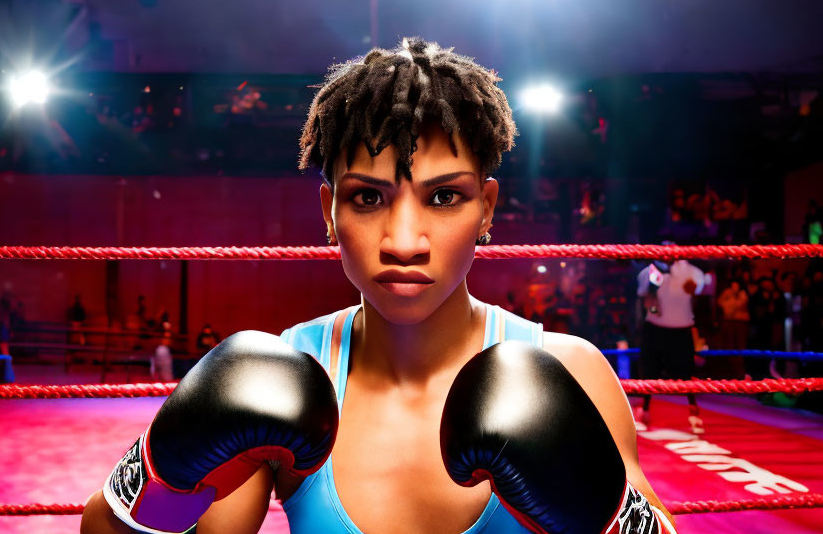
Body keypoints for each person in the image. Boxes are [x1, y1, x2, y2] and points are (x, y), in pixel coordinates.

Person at [81, 38, 674, 534]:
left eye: (445, 196)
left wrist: (608, 513)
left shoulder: (570, 370)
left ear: (487, 209)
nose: (404, 241)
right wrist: (159, 474)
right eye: (368, 198)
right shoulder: (288, 372)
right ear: (329, 211)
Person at [635, 258, 707, 435]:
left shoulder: (691, 271)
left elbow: (699, 289)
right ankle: (644, 411)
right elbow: (645, 297)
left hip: (681, 329)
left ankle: (694, 415)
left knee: (686, 374)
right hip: (656, 328)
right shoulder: (650, 271)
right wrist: (653, 309)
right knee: (649, 372)